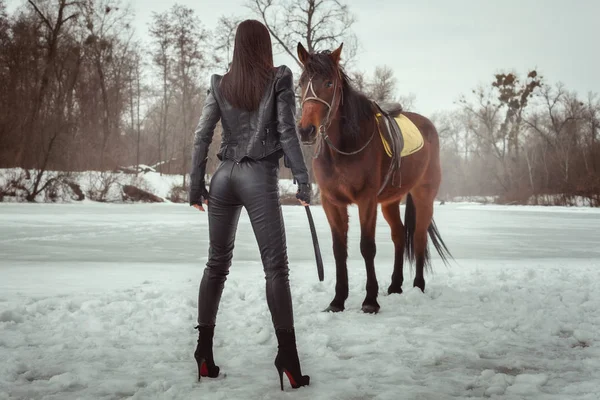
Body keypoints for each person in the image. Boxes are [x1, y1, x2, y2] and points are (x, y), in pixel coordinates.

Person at [188, 19, 311, 391]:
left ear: (238, 46)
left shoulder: (220, 83)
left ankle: (204, 353)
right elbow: (287, 130)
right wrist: (303, 179)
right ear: (263, 45)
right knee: (276, 269)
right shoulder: (279, 77)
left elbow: (202, 135)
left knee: (216, 264)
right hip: (257, 177)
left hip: (223, 176)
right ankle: (288, 356)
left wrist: (195, 184)